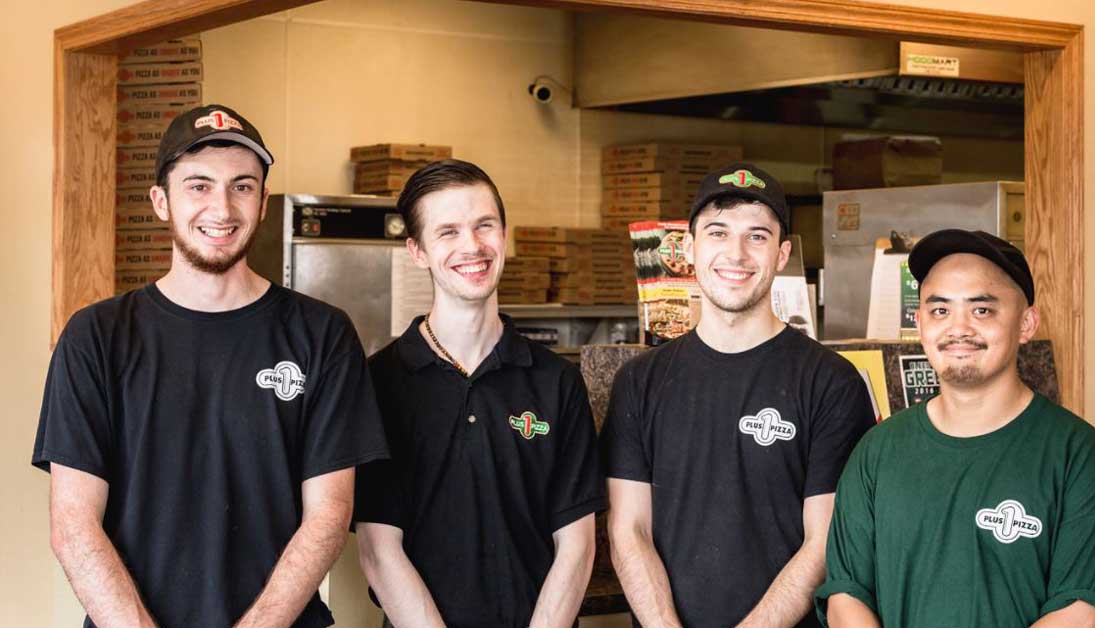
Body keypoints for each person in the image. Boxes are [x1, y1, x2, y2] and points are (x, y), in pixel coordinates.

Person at [32, 104, 389, 627]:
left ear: (262, 202)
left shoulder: (322, 334)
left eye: (242, 186)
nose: (221, 208)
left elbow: (329, 516)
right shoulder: (97, 337)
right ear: (161, 201)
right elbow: (73, 524)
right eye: (198, 186)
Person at [816, 229, 1095, 627]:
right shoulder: (876, 452)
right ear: (920, 323)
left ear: (1026, 323)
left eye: (982, 310)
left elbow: (1087, 615)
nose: (959, 329)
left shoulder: (1079, 455)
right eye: (940, 311)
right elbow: (846, 597)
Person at [601, 162, 876, 627]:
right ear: (690, 247)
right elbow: (629, 530)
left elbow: (824, 542)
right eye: (718, 232)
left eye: (757, 236)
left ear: (782, 253)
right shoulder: (639, 382)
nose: (736, 253)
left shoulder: (832, 383)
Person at [353, 159, 606, 628]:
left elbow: (577, 545)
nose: (472, 246)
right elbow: (378, 548)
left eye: (484, 225)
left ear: (504, 236)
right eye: (448, 231)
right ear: (417, 251)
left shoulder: (556, 381)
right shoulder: (379, 382)